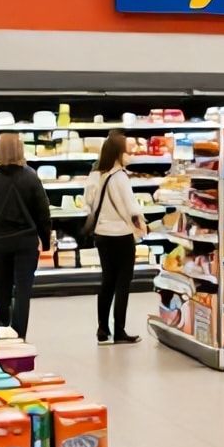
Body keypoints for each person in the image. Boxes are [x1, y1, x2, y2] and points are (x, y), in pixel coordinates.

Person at [0, 133, 51, 340]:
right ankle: (19, 337)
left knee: (2, 292)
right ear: (20, 150)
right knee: (23, 292)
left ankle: (2, 332)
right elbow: (43, 212)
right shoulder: (31, 176)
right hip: (26, 242)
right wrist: (45, 241)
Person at [85, 131, 148, 345]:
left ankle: (102, 329)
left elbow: (88, 202)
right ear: (118, 153)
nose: (128, 155)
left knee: (107, 281)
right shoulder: (120, 177)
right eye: (126, 152)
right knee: (123, 283)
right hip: (121, 235)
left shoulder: (95, 175)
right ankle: (119, 330)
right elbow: (131, 208)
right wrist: (142, 224)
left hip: (102, 234)